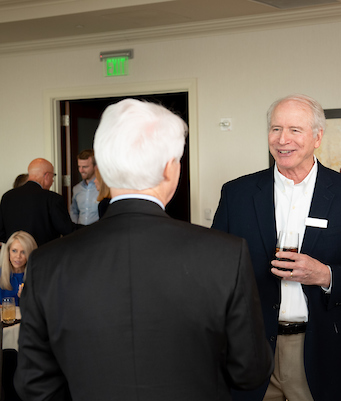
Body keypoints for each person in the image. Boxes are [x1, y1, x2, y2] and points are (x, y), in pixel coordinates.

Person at [15, 98, 273, 401]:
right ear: (170, 169)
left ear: (105, 170)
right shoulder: (225, 254)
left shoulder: (46, 262)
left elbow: (34, 383)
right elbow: (250, 371)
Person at [212, 94, 341, 401]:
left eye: (295, 130)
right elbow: (215, 270)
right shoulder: (236, 194)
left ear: (317, 137)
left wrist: (325, 275)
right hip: (251, 346)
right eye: (275, 128)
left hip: (322, 346)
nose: (283, 139)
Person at [0, 158, 73, 246]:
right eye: (53, 176)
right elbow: (68, 230)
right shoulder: (53, 198)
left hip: (15, 256)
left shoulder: (7, 197)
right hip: (43, 255)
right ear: (46, 176)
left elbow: (1, 233)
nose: (53, 180)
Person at [0, 230, 37, 306]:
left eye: (23, 252)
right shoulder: (0, 274)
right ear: (8, 251)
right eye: (14, 251)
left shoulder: (37, 276)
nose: (18, 256)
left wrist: (26, 298)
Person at [70, 149, 100, 225]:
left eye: (85, 167)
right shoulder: (76, 189)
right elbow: (74, 212)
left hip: (98, 233)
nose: (81, 170)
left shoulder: (103, 188)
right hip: (81, 233)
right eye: (79, 166)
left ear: (95, 167)